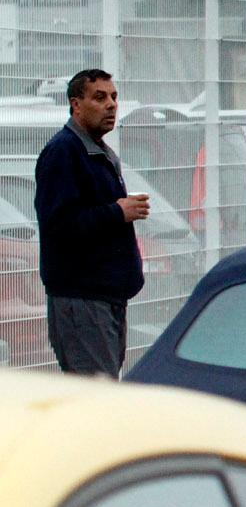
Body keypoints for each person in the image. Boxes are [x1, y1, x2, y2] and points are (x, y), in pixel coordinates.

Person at [33, 69, 147, 375]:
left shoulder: (97, 152)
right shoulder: (64, 153)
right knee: (95, 403)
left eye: (113, 97)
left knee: (101, 396)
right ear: (76, 105)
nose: (111, 105)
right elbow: (59, 225)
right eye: (99, 97)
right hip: (83, 302)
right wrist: (117, 212)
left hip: (105, 299)